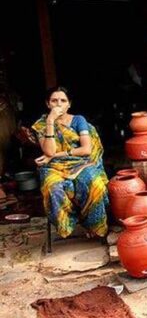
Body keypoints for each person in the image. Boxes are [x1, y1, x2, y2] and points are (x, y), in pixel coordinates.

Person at [32, 87, 109, 239]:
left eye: (63, 100)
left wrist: (58, 155)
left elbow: (86, 149)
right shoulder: (41, 124)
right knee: (52, 188)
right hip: (53, 167)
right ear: (48, 104)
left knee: (96, 185)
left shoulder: (79, 120)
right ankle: (67, 224)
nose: (58, 104)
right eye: (54, 101)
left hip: (81, 163)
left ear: (69, 104)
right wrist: (50, 121)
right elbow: (49, 151)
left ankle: (94, 226)